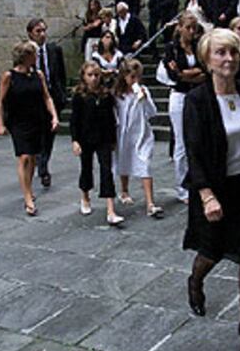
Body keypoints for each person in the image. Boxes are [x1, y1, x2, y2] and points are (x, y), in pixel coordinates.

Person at [182, 28, 240, 351]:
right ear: (207, 59)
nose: (229, 59)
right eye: (221, 52)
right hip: (214, 188)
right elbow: (193, 151)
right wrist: (206, 195)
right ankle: (195, 281)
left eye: (233, 52)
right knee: (212, 250)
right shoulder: (197, 101)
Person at [0, 41, 59, 216]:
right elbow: (1, 101)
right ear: (25, 57)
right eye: (34, 55)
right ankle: (27, 198)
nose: (36, 58)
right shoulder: (9, 76)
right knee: (24, 156)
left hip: (37, 119)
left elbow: (47, 97)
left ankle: (28, 188)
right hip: (18, 121)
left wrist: (53, 116)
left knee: (32, 157)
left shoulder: (38, 75)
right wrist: (0, 123)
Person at [70, 61, 124, 226]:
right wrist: (75, 140)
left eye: (96, 75)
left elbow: (110, 118)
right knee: (86, 167)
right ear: (84, 77)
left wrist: (113, 139)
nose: (93, 79)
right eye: (90, 75)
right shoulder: (79, 96)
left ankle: (110, 209)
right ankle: (85, 196)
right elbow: (75, 120)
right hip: (85, 137)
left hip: (103, 137)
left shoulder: (106, 95)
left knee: (106, 170)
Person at [113, 59, 164, 218]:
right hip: (124, 134)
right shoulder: (118, 95)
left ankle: (150, 203)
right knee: (124, 160)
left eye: (137, 77)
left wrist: (144, 99)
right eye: (131, 77)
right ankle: (124, 190)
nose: (135, 80)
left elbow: (152, 112)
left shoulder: (143, 91)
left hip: (141, 133)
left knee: (145, 165)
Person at [164, 12, 206, 204]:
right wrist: (187, 74)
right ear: (180, 28)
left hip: (197, 94)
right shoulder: (172, 49)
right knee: (181, 142)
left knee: (198, 138)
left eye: (194, 28)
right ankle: (182, 187)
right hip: (180, 96)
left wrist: (186, 73)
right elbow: (174, 75)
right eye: (188, 28)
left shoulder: (198, 47)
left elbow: (204, 70)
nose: (191, 32)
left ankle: (199, 180)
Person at [26, 18, 66, 188]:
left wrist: (61, 94)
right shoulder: (26, 52)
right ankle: (40, 163)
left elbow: (61, 74)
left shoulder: (54, 49)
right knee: (38, 134)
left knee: (49, 134)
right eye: (38, 31)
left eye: (44, 30)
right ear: (30, 34)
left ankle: (43, 166)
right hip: (35, 100)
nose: (42, 34)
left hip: (53, 97)